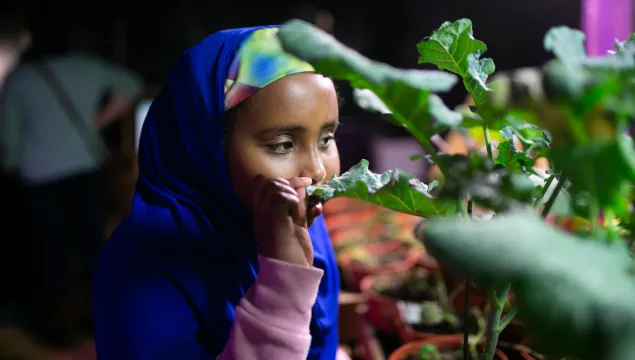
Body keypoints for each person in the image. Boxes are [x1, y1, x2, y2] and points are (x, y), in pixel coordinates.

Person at [93, 26, 346, 360]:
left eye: (326, 138)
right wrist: (283, 283)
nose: (317, 171)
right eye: (282, 144)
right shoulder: (142, 268)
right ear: (207, 147)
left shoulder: (300, 222)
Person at [0, 24, 143, 345]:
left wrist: (10, 168)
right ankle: (98, 321)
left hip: (39, 175)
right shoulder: (88, 67)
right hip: (85, 167)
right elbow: (132, 85)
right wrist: (98, 122)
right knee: (92, 244)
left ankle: (63, 330)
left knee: (52, 250)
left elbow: (9, 137)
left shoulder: (21, 78)